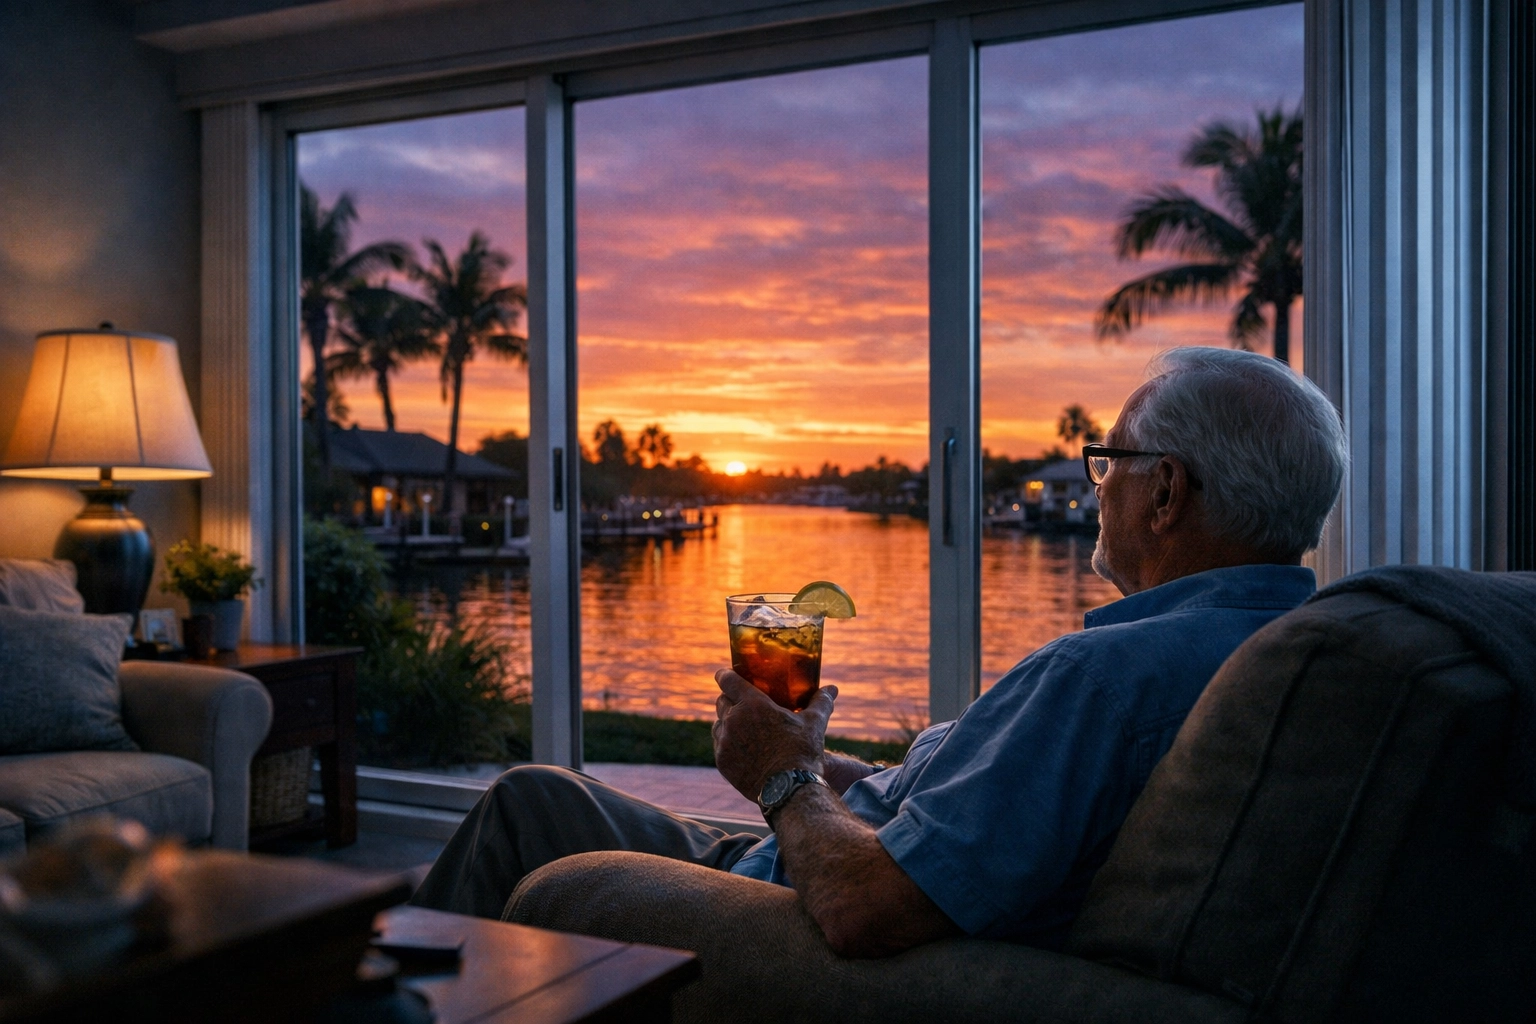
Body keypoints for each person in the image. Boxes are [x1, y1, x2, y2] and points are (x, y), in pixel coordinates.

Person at [411, 346, 1349, 958]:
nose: (1097, 486)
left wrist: (782, 777)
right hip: (851, 836)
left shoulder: (1104, 678)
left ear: (1167, 492)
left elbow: (871, 908)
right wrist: (823, 764)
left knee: (529, 804)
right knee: (548, 795)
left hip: (810, 892)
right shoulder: (1277, 650)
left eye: (1111, 463)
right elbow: (987, 817)